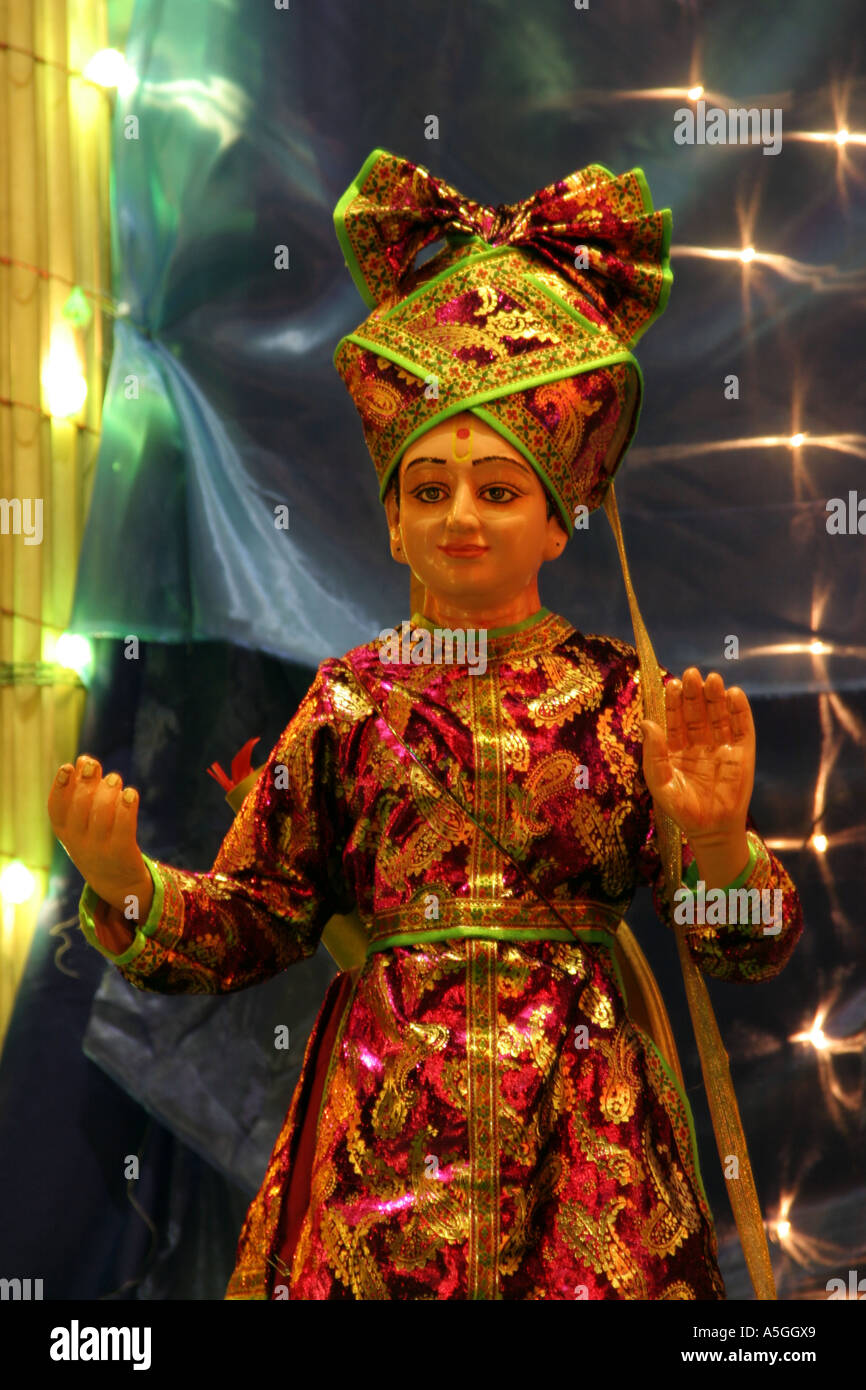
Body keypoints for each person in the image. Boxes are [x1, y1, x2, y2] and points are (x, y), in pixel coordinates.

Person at [47, 150, 803, 1300]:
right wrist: (128, 882)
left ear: (558, 521)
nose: (461, 515)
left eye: (498, 489)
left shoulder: (617, 698)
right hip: (379, 1152)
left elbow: (742, 944)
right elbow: (254, 920)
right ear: (392, 523)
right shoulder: (350, 698)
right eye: (430, 489)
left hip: (588, 1150)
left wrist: (713, 845)